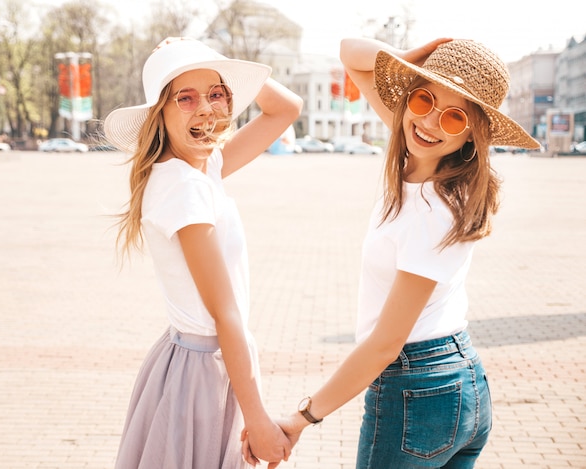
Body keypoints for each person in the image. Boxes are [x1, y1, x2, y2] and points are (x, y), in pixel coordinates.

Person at [243, 38, 540, 468]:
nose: (432, 122)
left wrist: (301, 418)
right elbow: (350, 54)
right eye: (425, 98)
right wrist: (423, 54)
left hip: (418, 391)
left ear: (472, 134)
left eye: (455, 116)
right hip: (462, 381)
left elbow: (385, 345)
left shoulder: (432, 211)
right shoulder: (419, 149)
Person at [103, 36, 302, 468]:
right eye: (186, 98)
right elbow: (225, 313)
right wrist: (258, 419)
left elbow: (286, 108)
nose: (207, 110)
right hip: (201, 373)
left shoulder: (196, 166)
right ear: (162, 112)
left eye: (216, 94)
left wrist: (214, 60)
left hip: (196, 362)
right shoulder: (184, 187)